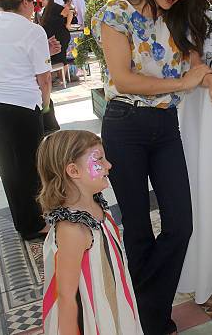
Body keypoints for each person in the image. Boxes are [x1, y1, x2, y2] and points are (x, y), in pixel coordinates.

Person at [92, 0, 212, 335]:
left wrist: (210, 78)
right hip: (124, 125)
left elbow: (195, 64)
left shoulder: (178, 18)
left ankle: (137, 301)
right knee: (136, 228)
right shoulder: (116, 14)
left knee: (180, 225)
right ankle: (151, 320)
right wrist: (187, 80)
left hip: (165, 126)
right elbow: (123, 79)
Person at [0, 0, 60, 241]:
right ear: (25, 2)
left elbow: (10, 60)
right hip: (18, 106)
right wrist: (45, 107)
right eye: (32, 2)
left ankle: (24, 221)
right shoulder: (33, 30)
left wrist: (46, 50)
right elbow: (43, 79)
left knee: (8, 166)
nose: (34, 7)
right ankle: (35, 223)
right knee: (31, 166)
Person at [37, 130, 143, 335]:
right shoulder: (73, 230)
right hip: (93, 317)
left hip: (113, 299)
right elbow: (66, 296)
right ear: (73, 171)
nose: (109, 165)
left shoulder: (97, 205)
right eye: (99, 160)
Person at [41, 0, 70, 83]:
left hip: (61, 35)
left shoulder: (56, 7)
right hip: (53, 36)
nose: (41, 2)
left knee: (61, 56)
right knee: (56, 57)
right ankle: (60, 77)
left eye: (43, 0)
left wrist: (68, 24)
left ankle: (63, 79)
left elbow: (70, 12)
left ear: (48, 0)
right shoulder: (47, 9)